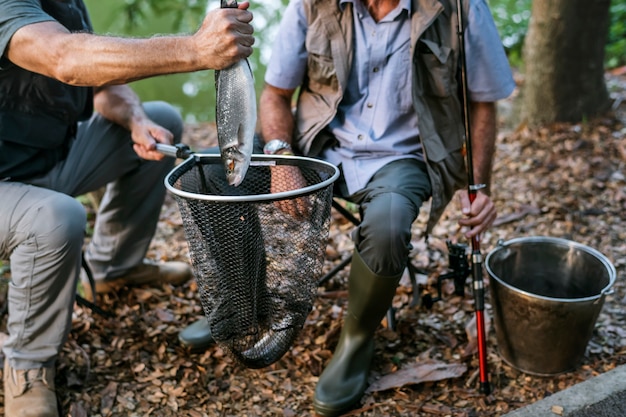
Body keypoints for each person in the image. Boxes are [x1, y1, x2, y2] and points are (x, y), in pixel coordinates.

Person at [0, 1, 254, 416]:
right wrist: (196, 49)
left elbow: (100, 82)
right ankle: (27, 366)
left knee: (161, 118)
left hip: (46, 158)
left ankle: (113, 269)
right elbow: (65, 58)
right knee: (57, 218)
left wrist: (135, 118)